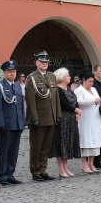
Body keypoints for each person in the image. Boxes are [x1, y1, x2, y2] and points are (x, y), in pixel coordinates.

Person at [26, 51, 62, 181]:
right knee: (36, 146)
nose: (44, 64)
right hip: (39, 118)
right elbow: (31, 101)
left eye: (46, 62)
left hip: (51, 117)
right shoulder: (32, 78)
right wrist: (34, 118)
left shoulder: (51, 77)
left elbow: (56, 98)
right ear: (36, 62)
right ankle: (35, 171)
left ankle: (43, 169)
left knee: (46, 146)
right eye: (42, 62)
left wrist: (58, 114)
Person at [0, 60, 24, 186]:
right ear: (4, 73)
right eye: (10, 72)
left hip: (16, 123)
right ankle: (2, 175)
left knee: (13, 151)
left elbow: (20, 107)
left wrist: (22, 122)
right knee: (3, 151)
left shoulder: (17, 86)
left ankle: (10, 173)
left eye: (14, 71)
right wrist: (0, 123)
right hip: (6, 124)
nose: (12, 74)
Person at [49, 68, 81, 178]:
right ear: (62, 78)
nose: (70, 77)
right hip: (63, 120)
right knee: (61, 143)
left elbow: (75, 102)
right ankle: (60, 168)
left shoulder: (68, 90)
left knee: (68, 143)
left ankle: (66, 166)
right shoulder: (58, 90)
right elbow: (63, 104)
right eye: (67, 75)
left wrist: (77, 111)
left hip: (71, 120)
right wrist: (75, 110)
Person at [75, 72, 101, 173]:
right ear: (84, 80)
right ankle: (84, 163)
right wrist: (93, 101)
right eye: (89, 81)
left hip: (95, 117)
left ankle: (91, 162)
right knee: (86, 140)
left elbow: (98, 100)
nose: (91, 83)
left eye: (92, 81)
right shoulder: (79, 90)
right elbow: (78, 102)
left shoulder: (94, 89)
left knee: (95, 139)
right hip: (85, 118)